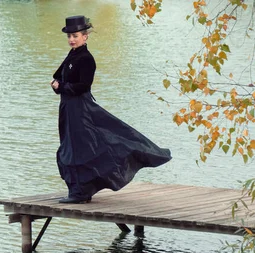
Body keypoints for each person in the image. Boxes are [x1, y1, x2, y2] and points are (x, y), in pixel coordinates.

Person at [51, 15, 172, 204]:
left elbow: (84, 85)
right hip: (68, 108)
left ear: (85, 36)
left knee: (80, 148)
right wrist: (57, 84)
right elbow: (59, 75)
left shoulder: (86, 58)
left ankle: (80, 192)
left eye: (75, 35)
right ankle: (79, 190)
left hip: (79, 108)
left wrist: (62, 86)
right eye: (69, 36)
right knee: (70, 146)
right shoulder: (73, 55)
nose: (71, 39)